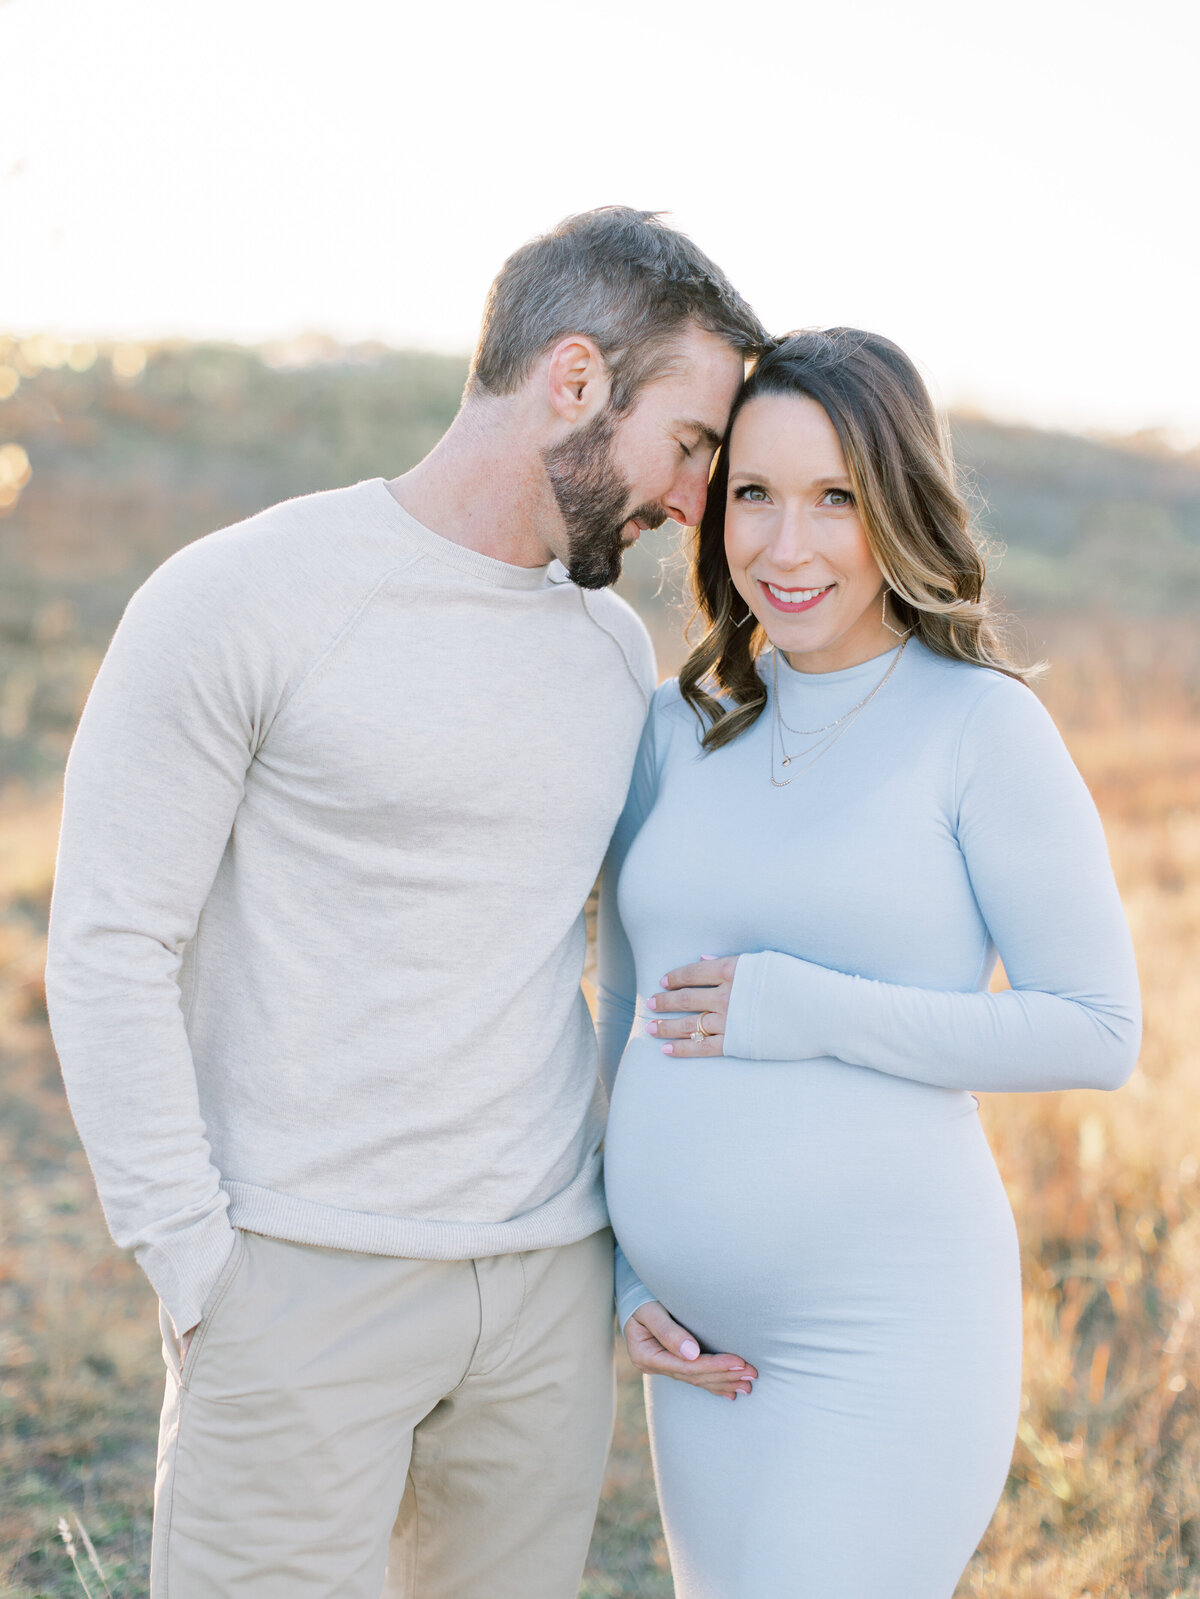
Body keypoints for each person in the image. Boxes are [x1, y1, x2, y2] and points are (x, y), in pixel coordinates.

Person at [44, 206, 763, 1599]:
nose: (692, 501)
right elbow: (110, 946)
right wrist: (198, 1268)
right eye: (687, 444)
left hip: (544, 1290)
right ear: (573, 381)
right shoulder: (239, 598)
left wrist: (625, 1255)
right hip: (298, 1280)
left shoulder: (615, 655)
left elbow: (636, 964)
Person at [598, 328, 1142, 1598]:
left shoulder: (978, 726)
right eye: (755, 495)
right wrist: (631, 1266)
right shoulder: (681, 727)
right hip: (703, 1348)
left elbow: (1096, 1028)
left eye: (834, 498)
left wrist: (809, 1009)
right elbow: (627, 1006)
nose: (787, 548)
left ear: (897, 501)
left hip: (889, 1334)